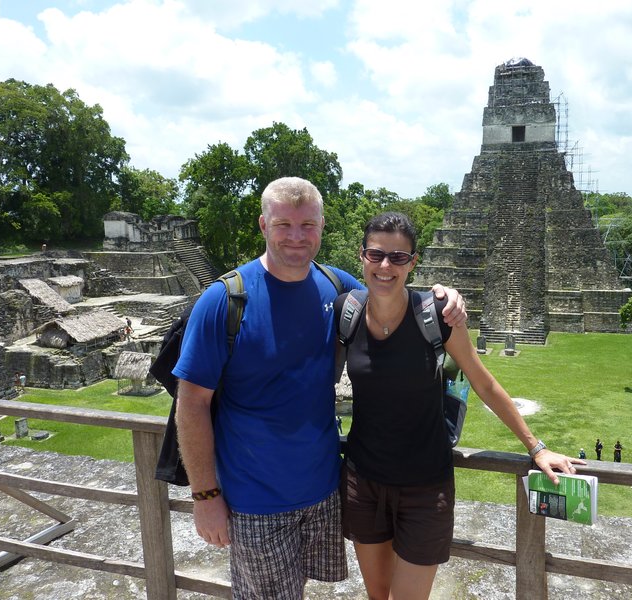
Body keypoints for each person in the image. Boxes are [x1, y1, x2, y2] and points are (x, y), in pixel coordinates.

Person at [172, 178, 466, 600]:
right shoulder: (224, 301)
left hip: (324, 490)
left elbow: (391, 291)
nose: (296, 236)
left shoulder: (335, 285)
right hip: (255, 499)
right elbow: (192, 403)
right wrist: (205, 495)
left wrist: (444, 296)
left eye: (307, 225)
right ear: (263, 225)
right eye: (284, 224)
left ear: (322, 227)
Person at [336, 212, 584, 600]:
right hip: (362, 483)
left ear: (413, 262)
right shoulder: (345, 313)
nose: (386, 266)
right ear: (363, 257)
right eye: (376, 254)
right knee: (377, 595)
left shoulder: (436, 315)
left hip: (424, 487)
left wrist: (536, 447)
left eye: (398, 257)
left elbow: (483, 382)